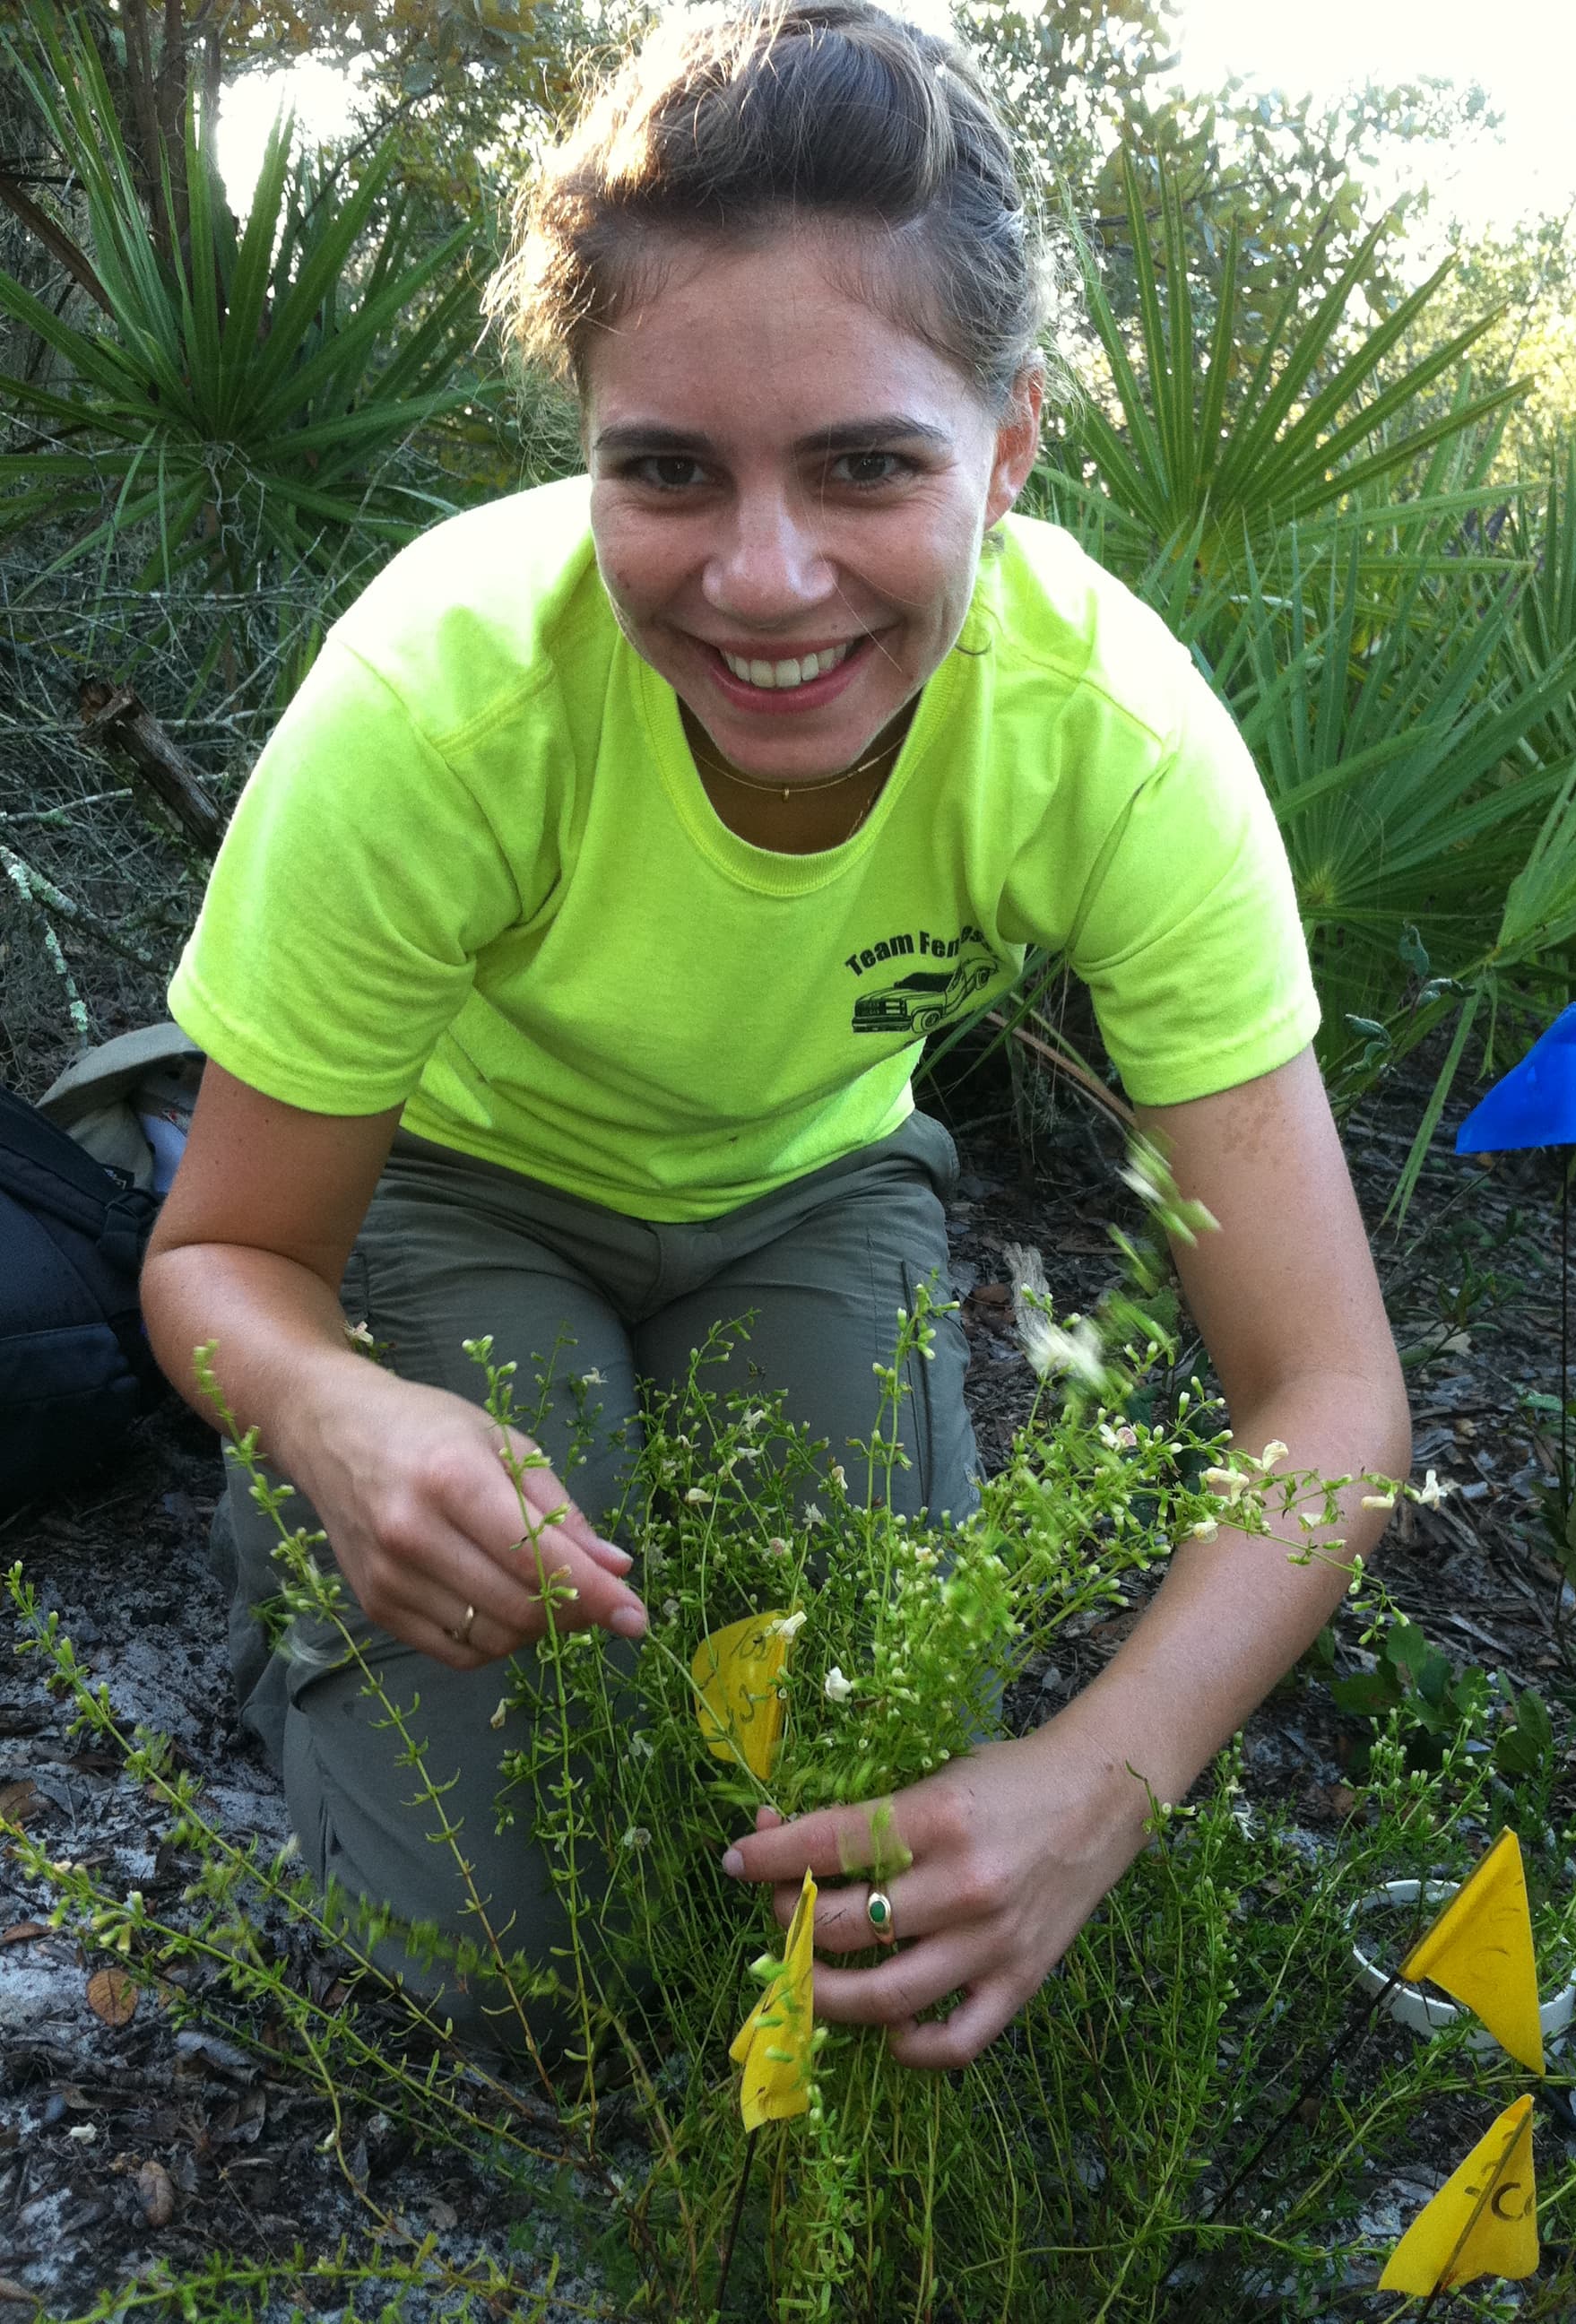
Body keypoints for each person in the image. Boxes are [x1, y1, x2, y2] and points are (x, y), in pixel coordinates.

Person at [142, 0, 1410, 2070]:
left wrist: (1105, 1774)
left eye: (865, 463)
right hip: (444, 1191)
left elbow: (1328, 1396)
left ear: (1003, 451)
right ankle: (300, 1525)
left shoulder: (1110, 740)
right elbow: (220, 1261)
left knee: (857, 1850)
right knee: (499, 1956)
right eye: (664, 470)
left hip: (807, 1194)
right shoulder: (441, 699)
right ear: (584, 455)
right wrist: (322, 1413)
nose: (760, 578)